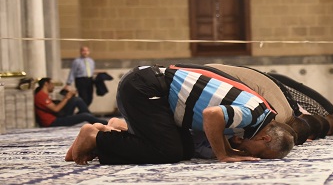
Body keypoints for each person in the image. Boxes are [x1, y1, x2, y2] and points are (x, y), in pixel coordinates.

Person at [66, 65, 296, 165]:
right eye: (261, 154)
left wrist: (228, 150)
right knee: (167, 151)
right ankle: (95, 138)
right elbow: (212, 115)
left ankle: (107, 134)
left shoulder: (259, 115)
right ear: (265, 138)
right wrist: (223, 155)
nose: (253, 155)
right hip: (145, 87)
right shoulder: (253, 115)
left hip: (151, 91)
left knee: (183, 149)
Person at [267, 73, 333, 135]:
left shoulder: (324, 110)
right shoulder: (318, 111)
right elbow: (296, 93)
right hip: (276, 82)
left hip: (279, 83)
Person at [34, 78, 108, 128]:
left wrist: (69, 97)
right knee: (85, 116)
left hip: (57, 117)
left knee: (76, 100)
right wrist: (67, 97)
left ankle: (94, 120)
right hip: (52, 122)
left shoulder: (44, 95)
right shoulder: (41, 95)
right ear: (46, 84)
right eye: (52, 84)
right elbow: (56, 109)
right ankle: (105, 124)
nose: (53, 86)